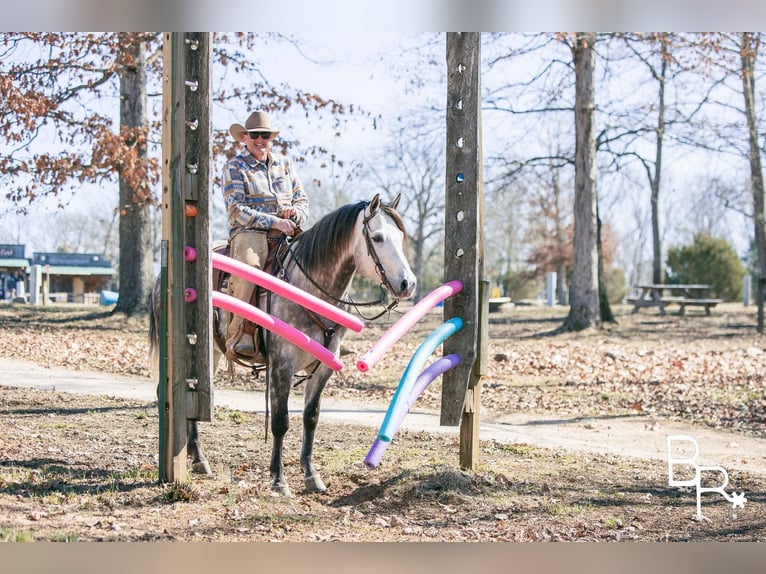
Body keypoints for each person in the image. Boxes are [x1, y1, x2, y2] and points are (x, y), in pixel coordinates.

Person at [223, 110, 309, 358]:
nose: (261, 139)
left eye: (266, 135)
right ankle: (240, 332)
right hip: (249, 232)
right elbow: (236, 209)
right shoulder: (234, 167)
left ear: (272, 138)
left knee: (318, 262)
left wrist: (294, 214)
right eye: (255, 135)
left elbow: (302, 199)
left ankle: (324, 329)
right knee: (251, 268)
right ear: (245, 138)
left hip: (287, 229)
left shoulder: (285, 164)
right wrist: (273, 221)